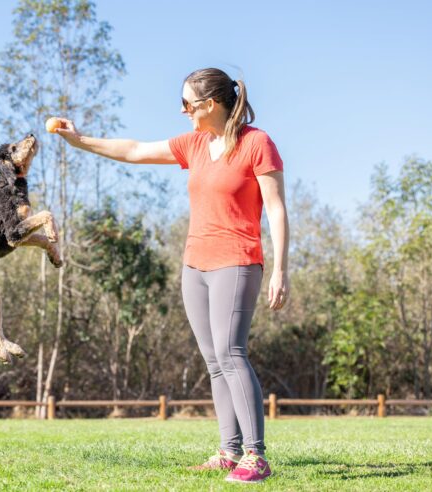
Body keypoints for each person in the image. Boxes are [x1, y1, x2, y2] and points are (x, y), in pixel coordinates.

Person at [54, 67, 289, 484]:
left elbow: (275, 208)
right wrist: (79, 139)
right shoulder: (195, 144)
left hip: (237, 260)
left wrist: (281, 269)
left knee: (232, 353)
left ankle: (257, 456)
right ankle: (229, 452)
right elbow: (135, 150)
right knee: (215, 362)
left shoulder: (257, 143)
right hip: (194, 265)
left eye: (187, 104)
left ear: (209, 105)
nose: (182, 111)